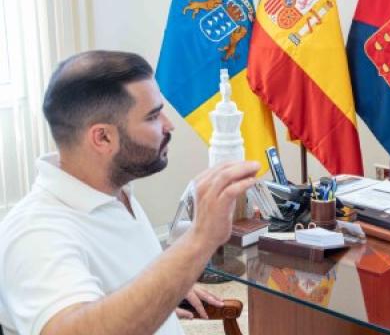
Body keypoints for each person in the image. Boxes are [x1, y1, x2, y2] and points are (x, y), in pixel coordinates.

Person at [0, 51, 260, 335]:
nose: (168, 125)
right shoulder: (34, 234)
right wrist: (199, 240)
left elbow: (114, 289)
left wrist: (168, 288)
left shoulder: (114, 189)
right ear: (103, 137)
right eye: (152, 116)